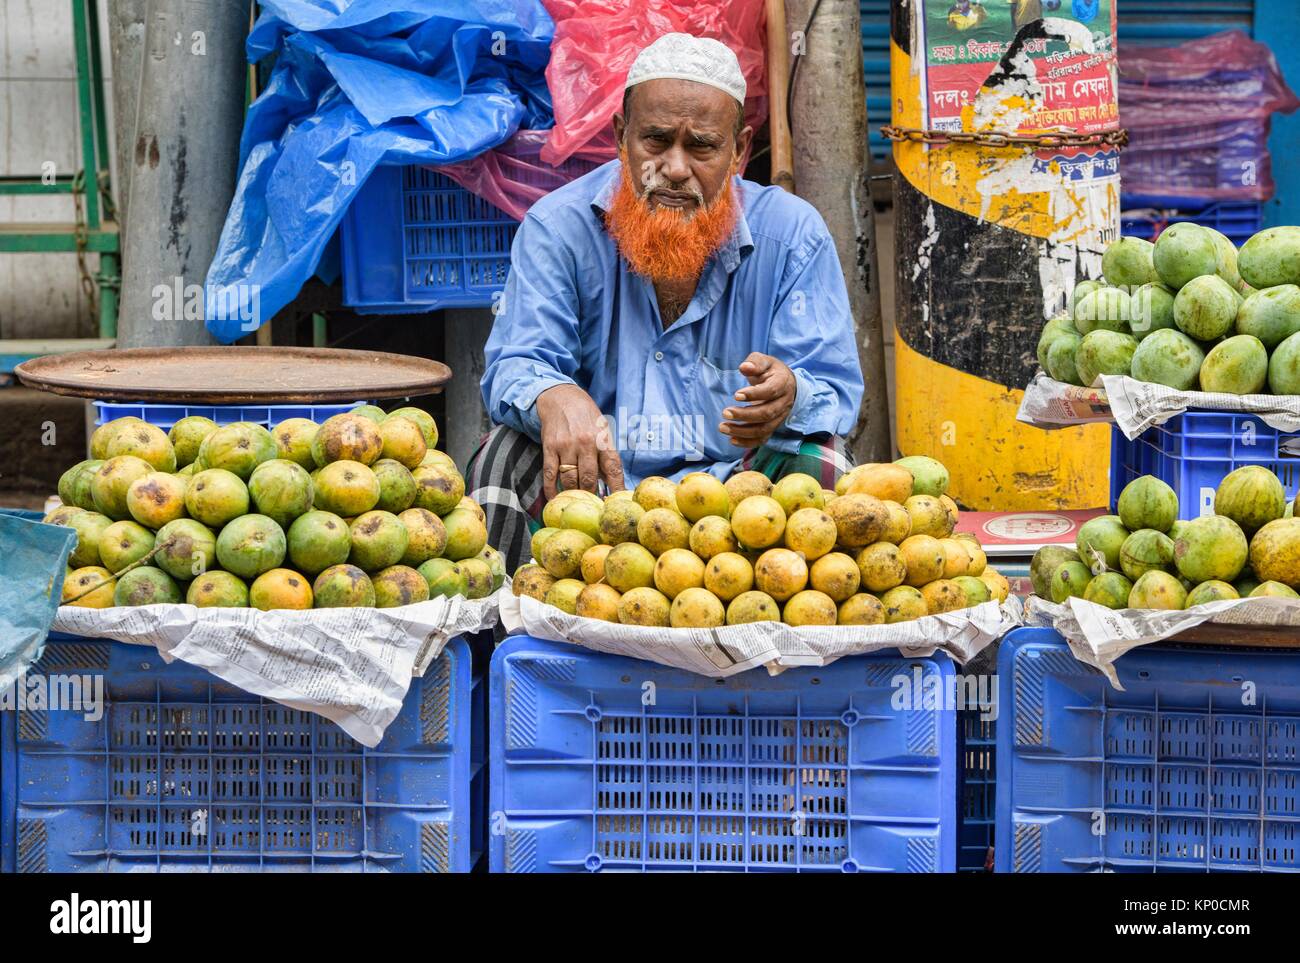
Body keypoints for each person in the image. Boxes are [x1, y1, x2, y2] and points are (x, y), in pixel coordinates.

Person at [467, 32, 864, 571]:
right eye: (655, 141)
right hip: (594, 494)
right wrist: (554, 392)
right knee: (501, 460)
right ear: (619, 136)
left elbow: (836, 390)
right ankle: (509, 644)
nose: (675, 169)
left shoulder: (793, 237)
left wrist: (792, 394)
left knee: (826, 464)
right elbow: (516, 364)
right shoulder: (557, 229)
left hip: (743, 504)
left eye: (701, 146)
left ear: (739, 151)